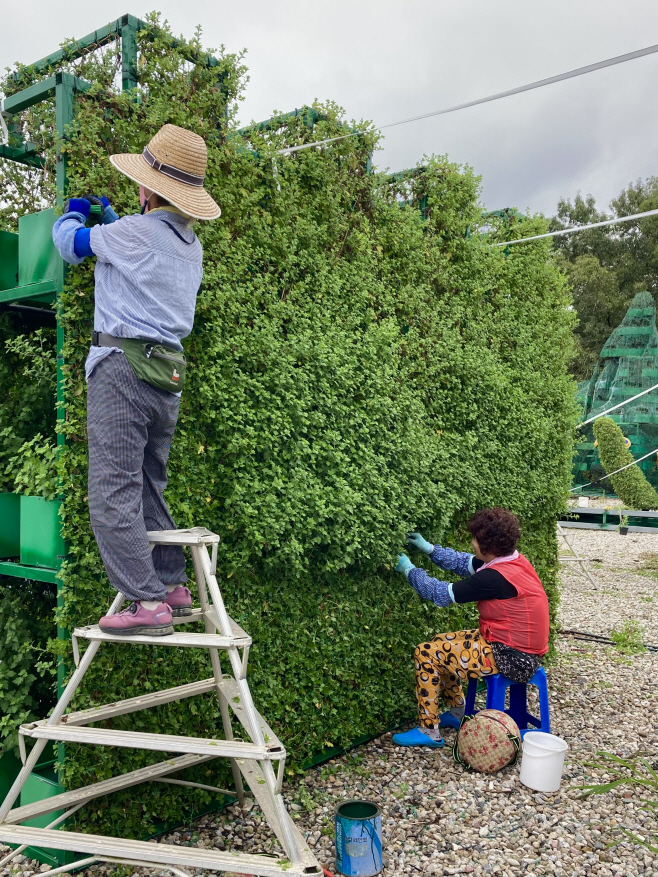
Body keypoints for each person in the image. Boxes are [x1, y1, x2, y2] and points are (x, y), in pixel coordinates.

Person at [52, 124, 221, 636]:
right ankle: (171, 583)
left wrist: (77, 211)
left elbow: (69, 245)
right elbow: (137, 245)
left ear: (149, 189)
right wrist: (115, 220)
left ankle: (148, 604)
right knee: (149, 482)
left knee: (111, 491)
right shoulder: (189, 245)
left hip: (122, 369)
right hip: (167, 375)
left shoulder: (132, 233)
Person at [392, 507, 549, 748]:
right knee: (438, 643)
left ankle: (428, 731)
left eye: (475, 538)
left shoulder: (495, 578)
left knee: (427, 652)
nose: (472, 542)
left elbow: (441, 594)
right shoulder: (512, 560)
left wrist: (409, 570)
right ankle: (456, 712)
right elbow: (464, 562)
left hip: (511, 657)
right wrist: (429, 549)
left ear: (487, 546)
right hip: (515, 646)